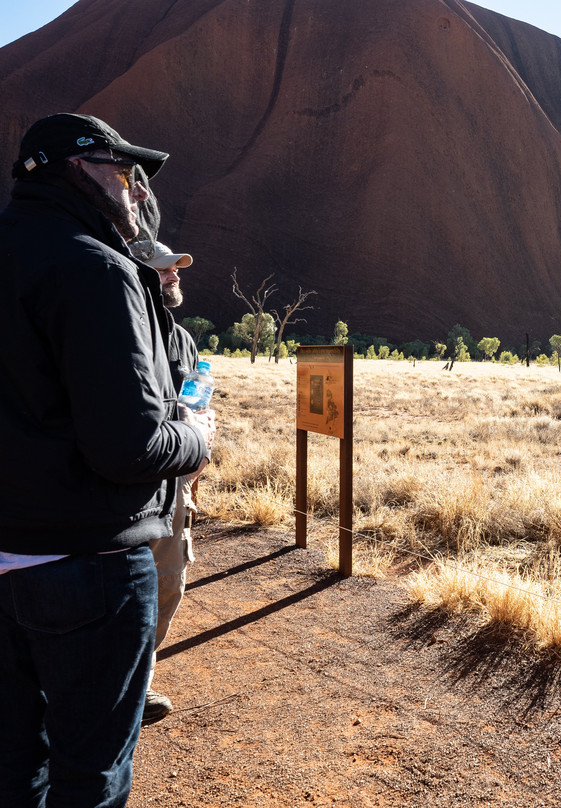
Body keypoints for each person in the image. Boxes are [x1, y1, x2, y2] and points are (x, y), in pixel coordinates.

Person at [0, 113, 213, 807]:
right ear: (76, 167)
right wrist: (198, 435)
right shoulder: (95, 268)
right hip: (86, 567)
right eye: (123, 171)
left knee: (12, 767)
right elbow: (131, 447)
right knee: (90, 773)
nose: (136, 188)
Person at [139, 241, 202, 724]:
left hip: (174, 482)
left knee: (168, 582)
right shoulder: (123, 327)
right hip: (126, 480)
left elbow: (195, 404)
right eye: (163, 271)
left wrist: (197, 460)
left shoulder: (181, 339)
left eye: (176, 269)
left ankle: (137, 683)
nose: (174, 276)